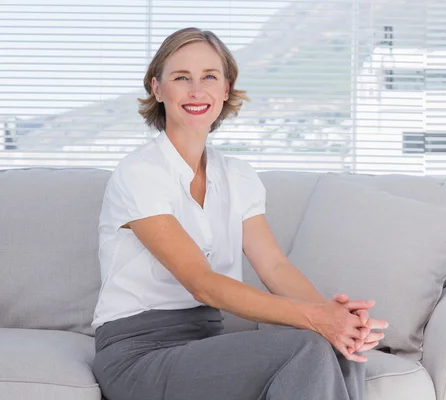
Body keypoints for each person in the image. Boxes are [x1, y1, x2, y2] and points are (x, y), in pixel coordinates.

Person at [91, 27, 388, 400]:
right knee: (307, 345)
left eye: (209, 77)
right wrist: (314, 319)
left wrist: (336, 320)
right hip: (139, 353)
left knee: (343, 349)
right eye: (181, 77)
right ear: (157, 88)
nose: (196, 90)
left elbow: (275, 267)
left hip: (204, 345)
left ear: (226, 90)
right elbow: (201, 282)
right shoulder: (140, 173)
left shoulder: (238, 176)